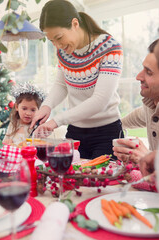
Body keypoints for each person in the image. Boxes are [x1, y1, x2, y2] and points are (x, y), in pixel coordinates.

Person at [30, 0, 123, 159]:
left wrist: (56, 121)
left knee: (102, 181)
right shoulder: (64, 51)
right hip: (76, 131)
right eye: (52, 41)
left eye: (59, 37)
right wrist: (46, 106)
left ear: (75, 24)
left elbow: (100, 100)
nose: (57, 46)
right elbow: (61, 85)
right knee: (71, 180)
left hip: (106, 133)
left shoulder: (110, 48)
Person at [113, 38, 159, 163]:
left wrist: (148, 158)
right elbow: (135, 118)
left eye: (148, 72)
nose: (138, 77)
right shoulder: (151, 106)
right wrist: (111, 127)